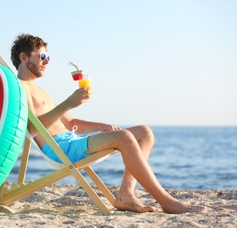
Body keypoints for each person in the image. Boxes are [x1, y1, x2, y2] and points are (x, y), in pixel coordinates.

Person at [10, 33, 201, 214]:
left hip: (73, 140)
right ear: (24, 57)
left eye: (48, 57)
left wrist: (100, 126)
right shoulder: (21, 87)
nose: (46, 61)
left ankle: (126, 193)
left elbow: (71, 122)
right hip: (61, 148)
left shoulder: (40, 89)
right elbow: (32, 129)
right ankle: (166, 201)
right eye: (42, 56)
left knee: (144, 132)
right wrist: (69, 102)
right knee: (125, 137)